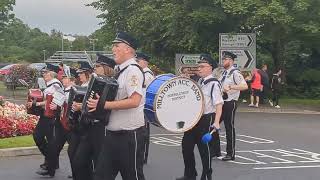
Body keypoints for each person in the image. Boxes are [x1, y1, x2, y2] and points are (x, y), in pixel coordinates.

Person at [88, 31, 146, 180]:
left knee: (132, 176)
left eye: (116, 45)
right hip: (112, 135)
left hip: (128, 137)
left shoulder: (133, 70)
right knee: (101, 176)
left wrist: (103, 104)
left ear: (127, 48)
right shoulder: (121, 71)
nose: (113, 49)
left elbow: (134, 101)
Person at [176, 54, 223, 180]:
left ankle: (207, 175)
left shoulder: (214, 84)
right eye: (198, 66)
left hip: (206, 120)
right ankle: (190, 174)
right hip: (194, 119)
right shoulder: (199, 81)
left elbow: (218, 104)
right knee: (186, 147)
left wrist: (217, 122)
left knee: (204, 150)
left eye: (202, 66)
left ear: (210, 68)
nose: (199, 69)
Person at [72, 55, 116, 180]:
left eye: (97, 66)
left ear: (106, 68)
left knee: (101, 167)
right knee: (78, 162)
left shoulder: (111, 84)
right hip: (90, 126)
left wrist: (83, 107)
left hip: (101, 128)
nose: (94, 69)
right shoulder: (96, 81)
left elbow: (105, 107)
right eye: (95, 66)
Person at [28, 67, 64, 177]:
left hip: (51, 117)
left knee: (44, 139)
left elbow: (54, 100)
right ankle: (51, 162)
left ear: (52, 74)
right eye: (44, 73)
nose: (44, 74)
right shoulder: (50, 84)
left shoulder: (55, 85)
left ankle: (50, 165)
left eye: (46, 73)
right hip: (46, 116)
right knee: (42, 138)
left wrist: (36, 104)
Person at [219, 51, 248, 161]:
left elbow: (244, 86)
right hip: (222, 102)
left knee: (229, 127)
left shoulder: (235, 73)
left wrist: (231, 87)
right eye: (223, 59)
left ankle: (230, 153)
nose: (223, 61)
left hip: (230, 102)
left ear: (230, 61)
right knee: (214, 124)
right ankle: (215, 150)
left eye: (225, 59)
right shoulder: (224, 73)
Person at [136, 52, 155, 164]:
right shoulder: (141, 73)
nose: (137, 63)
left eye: (139, 61)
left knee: (143, 133)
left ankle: (143, 156)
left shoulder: (147, 75)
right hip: (140, 106)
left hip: (144, 107)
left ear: (145, 62)